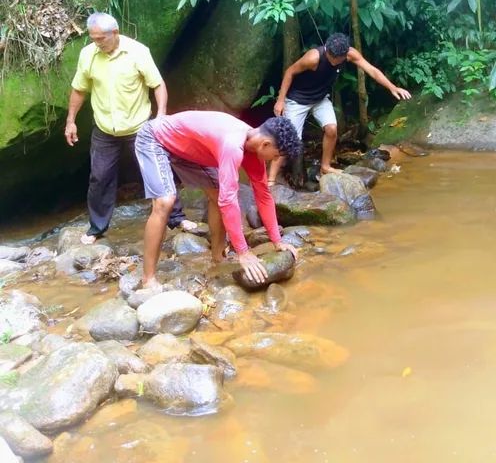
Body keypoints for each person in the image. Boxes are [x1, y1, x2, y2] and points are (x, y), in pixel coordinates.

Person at [65, 12, 194, 244]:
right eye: (93, 38)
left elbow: (157, 84)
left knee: (157, 171)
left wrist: (161, 116)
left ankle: (177, 218)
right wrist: (70, 120)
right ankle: (97, 228)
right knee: (100, 178)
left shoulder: (138, 51)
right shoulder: (88, 55)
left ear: (115, 33)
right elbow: (79, 89)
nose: (97, 43)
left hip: (139, 126)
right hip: (105, 128)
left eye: (101, 38)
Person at [134, 111, 302, 289]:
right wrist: (243, 252)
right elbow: (228, 202)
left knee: (219, 193)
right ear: (265, 144)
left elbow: (263, 195)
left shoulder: (254, 150)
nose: (274, 160)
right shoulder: (233, 145)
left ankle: (218, 257)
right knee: (165, 202)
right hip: (156, 138)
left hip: (191, 150)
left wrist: (277, 241)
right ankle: (148, 279)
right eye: (275, 156)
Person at [269, 32, 411, 182]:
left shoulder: (350, 54)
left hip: (320, 98)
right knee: (289, 141)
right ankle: (270, 181)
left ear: (345, 54)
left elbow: (372, 70)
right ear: (327, 49)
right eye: (331, 57)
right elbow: (290, 71)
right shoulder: (313, 58)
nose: (334, 61)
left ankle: (325, 166)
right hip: (297, 100)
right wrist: (280, 100)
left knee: (331, 129)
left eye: (338, 59)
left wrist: (392, 87)